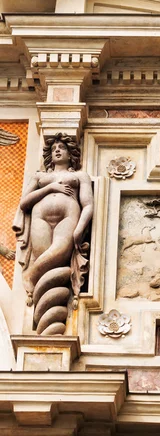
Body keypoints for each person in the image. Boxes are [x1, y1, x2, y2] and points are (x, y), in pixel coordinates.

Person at [13, 133, 93, 334]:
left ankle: (30, 276)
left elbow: (88, 205)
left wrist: (80, 228)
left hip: (68, 216)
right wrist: (50, 188)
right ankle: (40, 304)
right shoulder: (41, 177)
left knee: (57, 254)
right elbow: (24, 202)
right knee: (44, 258)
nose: (57, 150)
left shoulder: (79, 176)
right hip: (39, 217)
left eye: (62, 147)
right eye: (54, 148)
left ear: (70, 153)